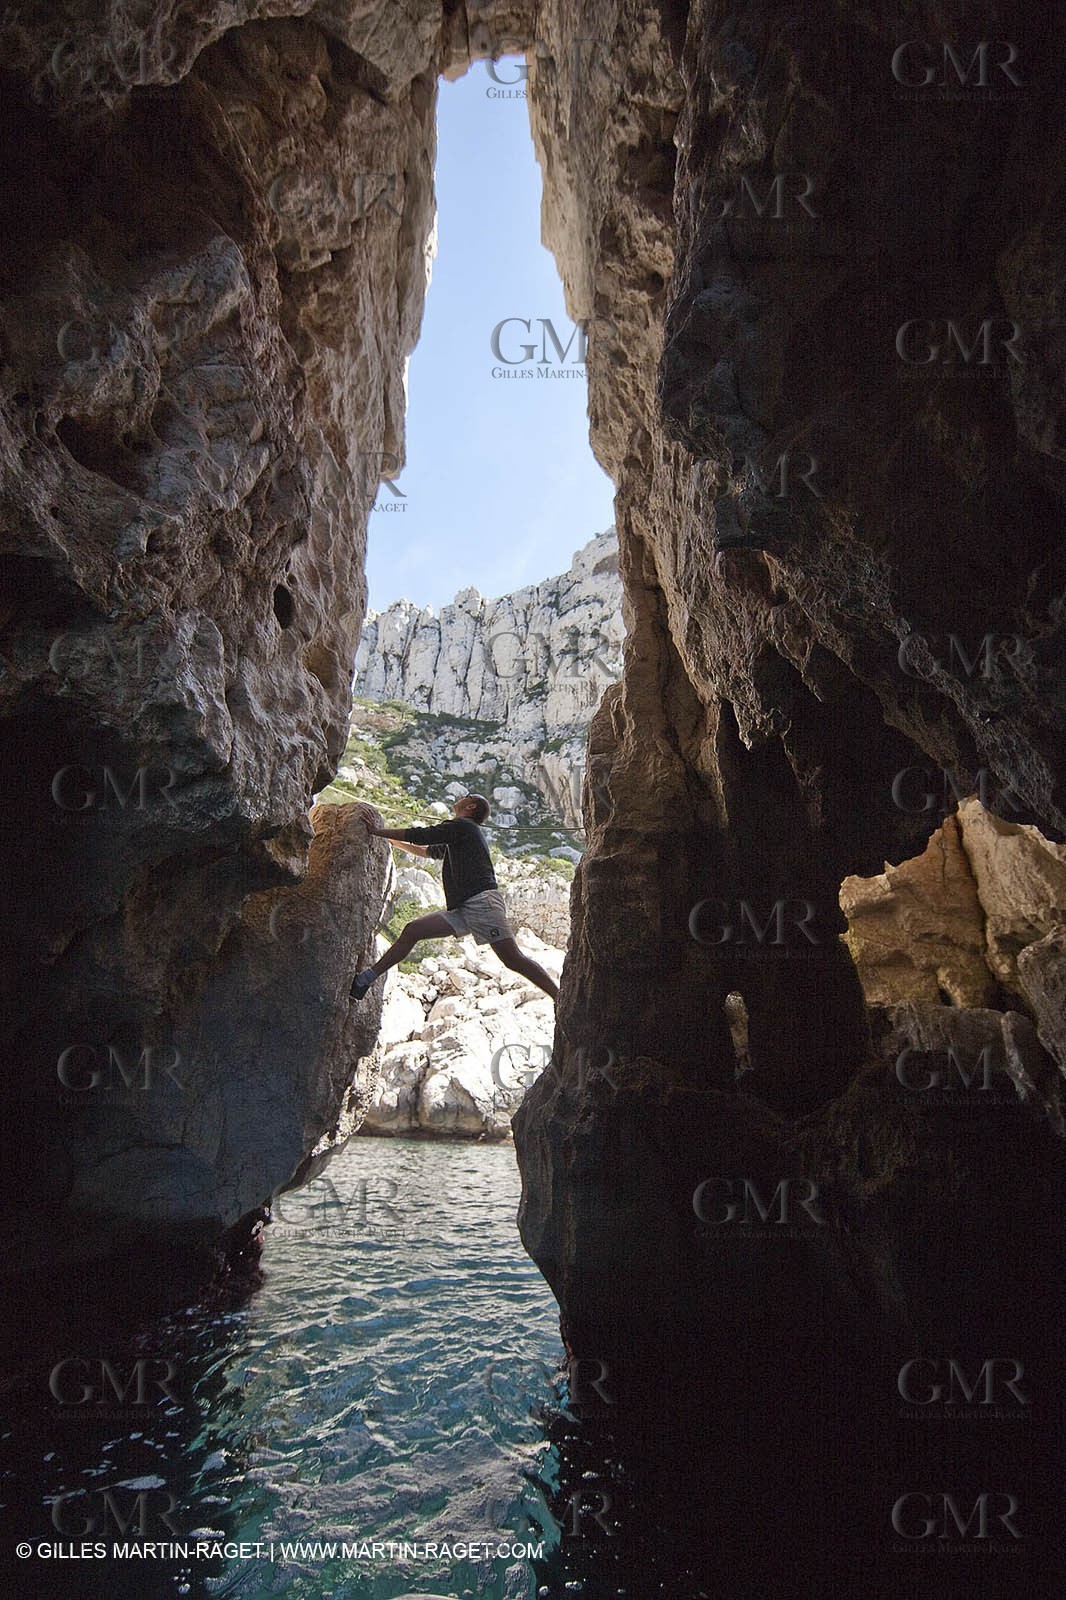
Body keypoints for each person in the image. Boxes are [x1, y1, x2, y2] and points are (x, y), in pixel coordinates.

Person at [349, 793, 560, 1003]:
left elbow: (422, 835)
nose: (461, 797)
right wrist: (392, 840)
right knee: (413, 930)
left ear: (471, 807)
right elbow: (426, 851)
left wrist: (377, 831)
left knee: (513, 959)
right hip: (466, 906)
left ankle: (558, 997)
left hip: (482, 903)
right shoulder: (459, 835)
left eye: (466, 797)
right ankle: (364, 981)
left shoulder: (464, 827)